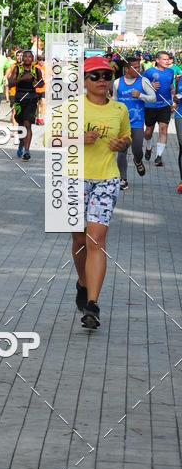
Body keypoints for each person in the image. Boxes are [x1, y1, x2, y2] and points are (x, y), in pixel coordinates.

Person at [71, 56, 131, 329]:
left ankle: (92, 304)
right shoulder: (71, 108)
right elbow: (50, 139)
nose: (101, 80)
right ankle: (83, 283)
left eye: (106, 75)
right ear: (84, 80)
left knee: (95, 239)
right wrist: (77, 138)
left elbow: (126, 137)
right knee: (79, 240)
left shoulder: (119, 109)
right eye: (94, 76)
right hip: (73, 178)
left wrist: (122, 144)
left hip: (106, 179)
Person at [112, 54, 155, 188]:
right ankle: (123, 179)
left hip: (137, 123)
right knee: (122, 151)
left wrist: (140, 95)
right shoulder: (117, 83)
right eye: (135, 67)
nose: (138, 70)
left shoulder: (143, 81)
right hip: (122, 123)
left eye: (139, 67)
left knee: (137, 149)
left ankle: (138, 161)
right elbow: (114, 101)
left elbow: (153, 98)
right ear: (127, 69)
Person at [143, 50, 175, 166]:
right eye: (164, 59)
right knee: (148, 132)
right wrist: (150, 86)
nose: (167, 61)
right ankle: (148, 146)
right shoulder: (148, 72)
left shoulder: (171, 72)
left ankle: (158, 156)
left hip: (165, 105)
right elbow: (141, 87)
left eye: (168, 59)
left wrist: (174, 98)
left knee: (163, 129)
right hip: (150, 105)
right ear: (157, 60)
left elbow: (171, 87)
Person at [8, 49, 41, 160]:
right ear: (22, 58)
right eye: (25, 56)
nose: (27, 58)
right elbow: (10, 83)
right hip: (19, 99)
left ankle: (27, 151)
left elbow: (41, 83)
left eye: (29, 57)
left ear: (33, 59)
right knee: (21, 124)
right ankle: (21, 143)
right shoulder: (17, 69)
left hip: (31, 99)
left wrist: (36, 83)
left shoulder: (36, 70)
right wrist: (21, 78)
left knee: (28, 124)